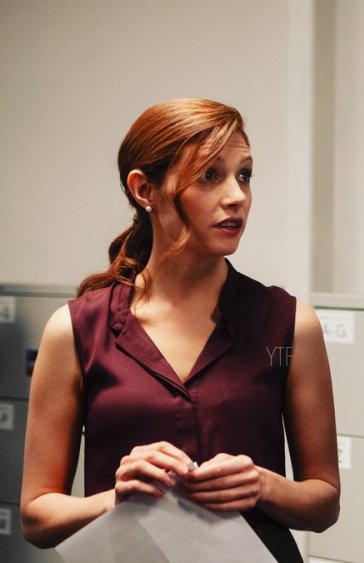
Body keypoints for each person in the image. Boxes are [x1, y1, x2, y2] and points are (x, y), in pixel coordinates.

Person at [20, 98, 340, 562]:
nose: (237, 196)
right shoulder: (73, 330)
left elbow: (324, 502)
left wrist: (262, 484)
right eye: (210, 176)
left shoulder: (290, 324)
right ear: (144, 189)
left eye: (244, 174)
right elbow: (36, 516)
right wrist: (117, 498)